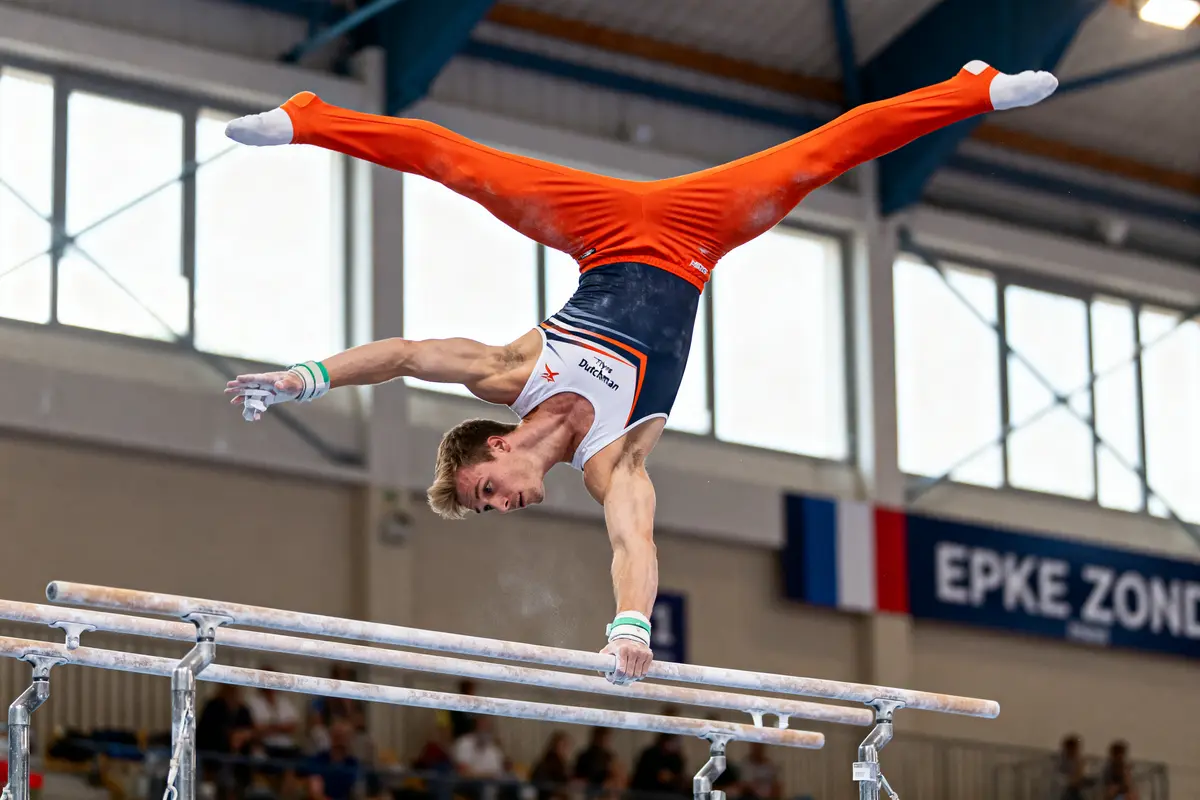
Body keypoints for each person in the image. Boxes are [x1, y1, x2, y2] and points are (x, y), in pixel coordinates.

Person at [223, 61, 1058, 684]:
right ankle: (967, 90)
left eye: (485, 492)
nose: (502, 507)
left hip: (604, 229)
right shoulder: (613, 464)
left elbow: (405, 357)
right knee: (819, 159)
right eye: (491, 508)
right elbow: (634, 544)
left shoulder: (511, 376)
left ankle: (309, 118)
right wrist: (630, 626)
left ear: (493, 445)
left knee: (464, 166)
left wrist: (306, 377)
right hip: (696, 241)